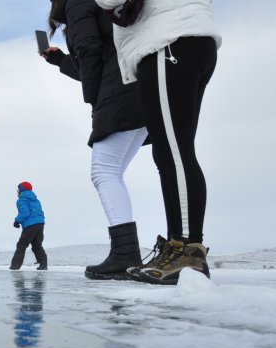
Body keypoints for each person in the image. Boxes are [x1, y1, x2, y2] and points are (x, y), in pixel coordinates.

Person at [94, 0, 220, 285]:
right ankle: (178, 247)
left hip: (168, 42)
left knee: (174, 152)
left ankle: (188, 250)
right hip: (183, 39)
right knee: (169, 153)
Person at [43, 0, 149, 280]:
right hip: (139, 85)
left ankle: (126, 254)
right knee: (111, 172)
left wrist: (94, 101)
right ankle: (127, 252)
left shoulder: (78, 2)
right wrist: (60, 61)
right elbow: (94, 62)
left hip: (121, 92)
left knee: (104, 171)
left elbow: (90, 52)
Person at [10, 182, 48, 270]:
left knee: (21, 245)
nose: (17, 192)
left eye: (18, 190)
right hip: (40, 223)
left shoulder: (21, 200)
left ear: (21, 191)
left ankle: (15, 266)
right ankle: (43, 264)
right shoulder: (36, 200)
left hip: (30, 225)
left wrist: (17, 221)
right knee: (37, 244)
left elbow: (25, 212)